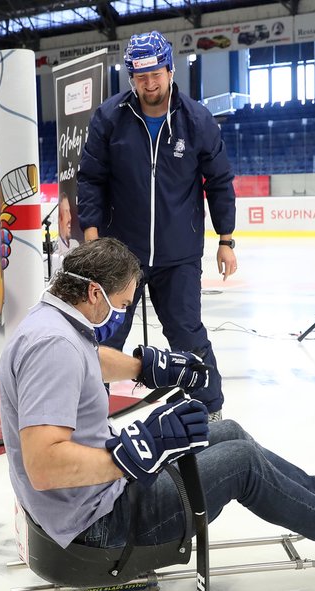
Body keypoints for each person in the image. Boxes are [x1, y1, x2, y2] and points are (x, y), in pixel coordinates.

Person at [0, 238, 315, 566]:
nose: (122, 312)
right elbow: (44, 465)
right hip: (98, 525)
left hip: (99, 499)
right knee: (240, 461)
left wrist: (146, 368)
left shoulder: (54, 321)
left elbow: (88, 360)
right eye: (123, 303)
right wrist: (133, 455)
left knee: (226, 431)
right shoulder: (52, 347)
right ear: (95, 292)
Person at [77, 30, 237, 420]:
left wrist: (226, 238)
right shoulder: (110, 118)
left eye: (155, 74)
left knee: (186, 335)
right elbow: (91, 178)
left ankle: (209, 408)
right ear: (131, 77)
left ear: (169, 69)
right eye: (140, 76)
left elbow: (218, 181)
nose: (149, 84)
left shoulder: (197, 120)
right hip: (119, 255)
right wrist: (92, 236)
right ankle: (87, 413)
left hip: (178, 253)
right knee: (104, 335)